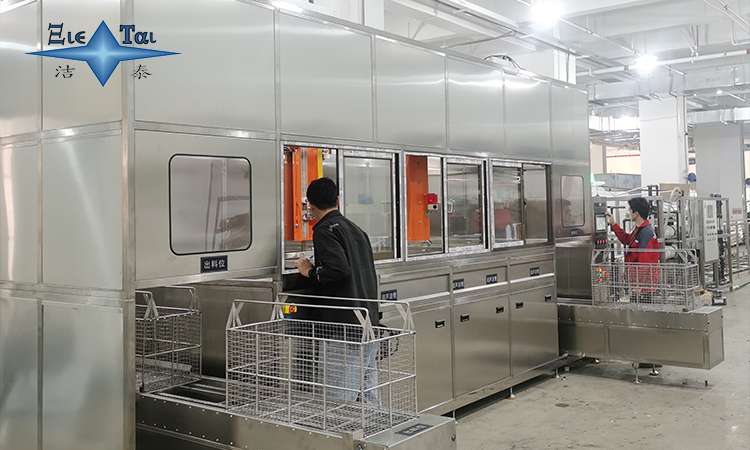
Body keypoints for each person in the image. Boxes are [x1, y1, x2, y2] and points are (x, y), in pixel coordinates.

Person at [295, 177, 380, 404]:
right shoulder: (356, 230)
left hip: (344, 330)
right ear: (338, 200)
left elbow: (338, 269)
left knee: (338, 398)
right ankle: (374, 426)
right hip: (368, 323)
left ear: (310, 205)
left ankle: (342, 428)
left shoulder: (324, 230)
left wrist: (309, 271)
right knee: (368, 393)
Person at [606, 197, 660, 302]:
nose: (628, 212)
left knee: (643, 309)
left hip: (643, 288)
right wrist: (613, 224)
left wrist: (640, 285)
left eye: (630, 209)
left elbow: (645, 262)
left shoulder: (646, 232)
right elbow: (626, 239)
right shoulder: (638, 229)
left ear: (636, 213)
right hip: (637, 284)